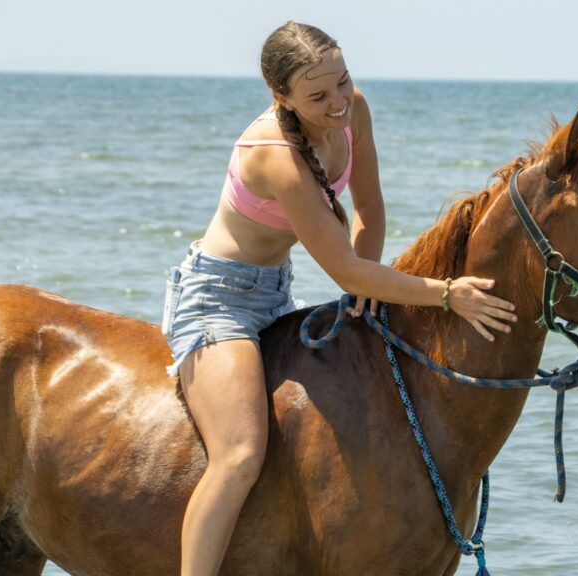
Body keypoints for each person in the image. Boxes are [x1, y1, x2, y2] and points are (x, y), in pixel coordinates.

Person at [160, 21, 518, 576]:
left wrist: (363, 287)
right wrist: (446, 295)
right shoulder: (274, 156)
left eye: (343, 83)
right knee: (240, 453)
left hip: (277, 291)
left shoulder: (355, 112)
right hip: (218, 301)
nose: (338, 103)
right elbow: (343, 264)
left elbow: (370, 215)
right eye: (319, 96)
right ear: (281, 97)